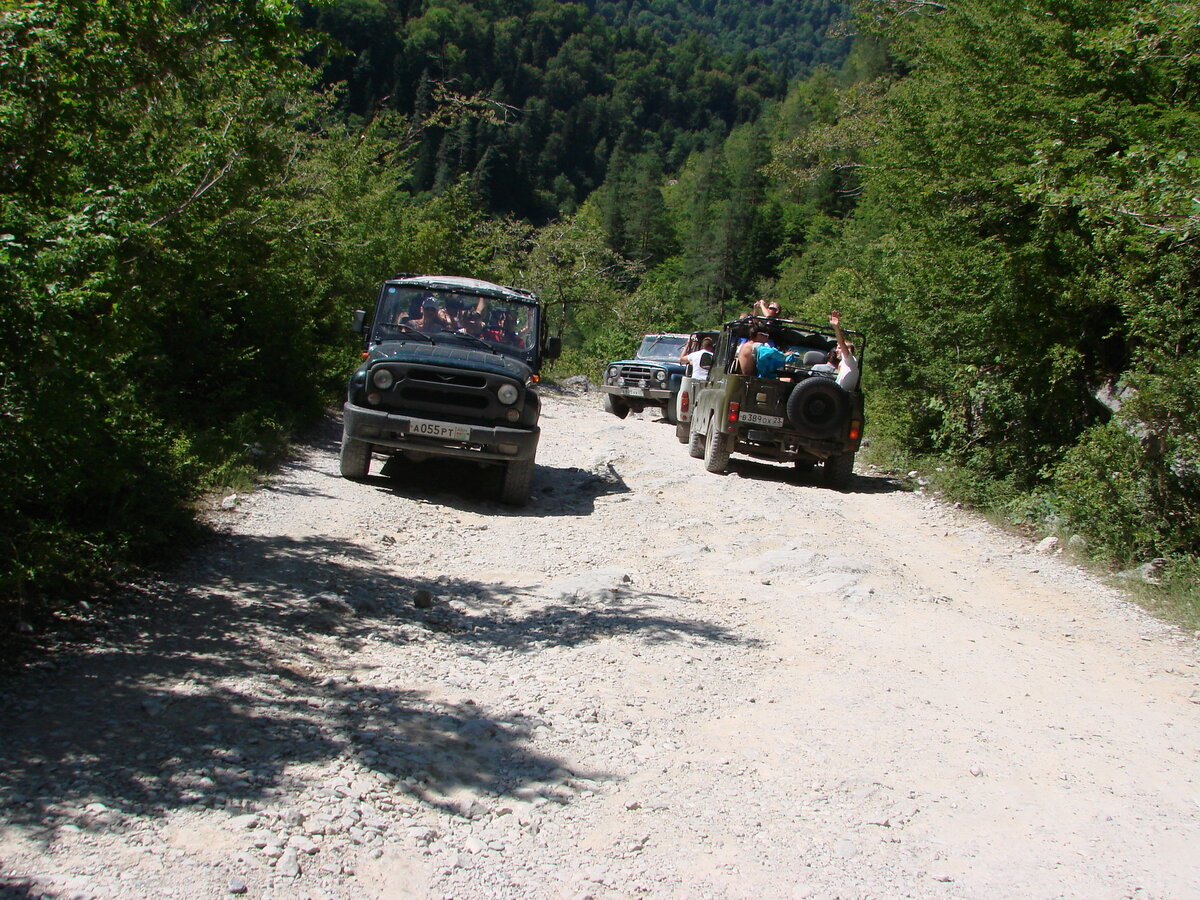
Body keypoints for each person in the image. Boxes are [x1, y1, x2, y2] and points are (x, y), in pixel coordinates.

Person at [829, 309, 860, 390]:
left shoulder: (850, 359)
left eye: (839, 348)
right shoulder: (845, 363)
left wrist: (836, 328)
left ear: (849, 349)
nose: (836, 350)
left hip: (840, 396)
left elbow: (842, 343)